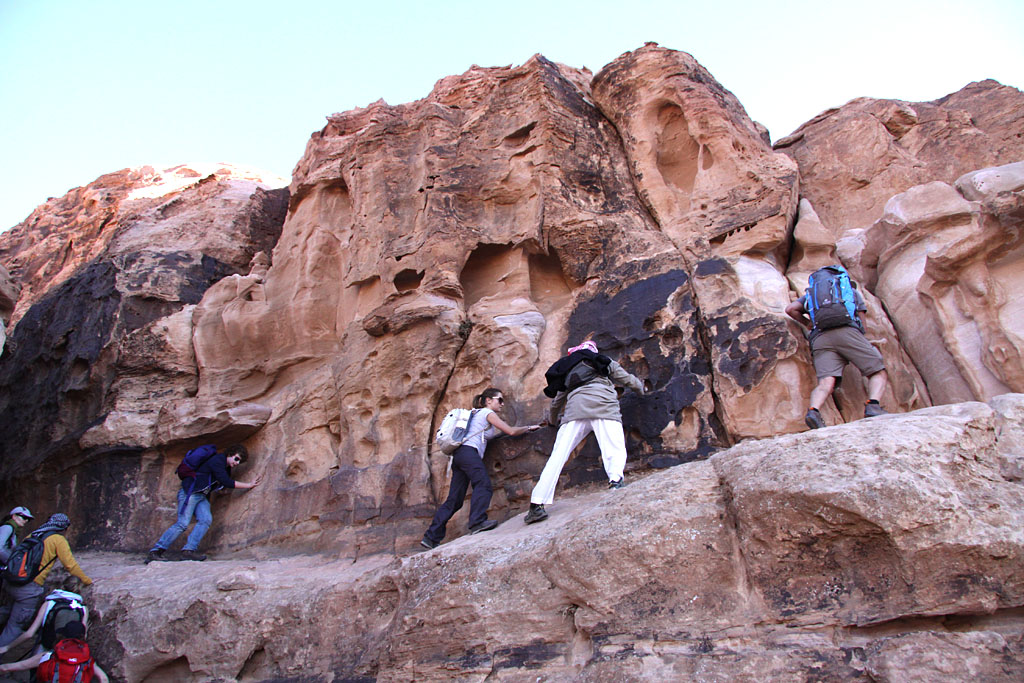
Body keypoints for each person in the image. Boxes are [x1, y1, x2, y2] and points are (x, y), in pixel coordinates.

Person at [525, 340, 645, 525]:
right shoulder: (602, 361)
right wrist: (640, 388)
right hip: (604, 407)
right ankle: (615, 482)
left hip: (574, 412)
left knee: (558, 457)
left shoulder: (569, 370)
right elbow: (626, 378)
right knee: (613, 446)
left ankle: (537, 504)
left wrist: (552, 421)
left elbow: (557, 402)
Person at [421, 389, 540, 550]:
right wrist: (529, 428)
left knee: (454, 500)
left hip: (459, 456)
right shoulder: (486, 413)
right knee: (483, 484)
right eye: (500, 400)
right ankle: (477, 522)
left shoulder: (476, 415)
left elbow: (488, 436)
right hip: (469, 454)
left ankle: (431, 537)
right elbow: (510, 431)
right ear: (489, 400)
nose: (502, 404)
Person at [785, 265, 889, 429]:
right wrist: (860, 337)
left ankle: (814, 411)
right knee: (877, 371)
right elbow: (862, 319)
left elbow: (790, 309)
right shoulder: (850, 293)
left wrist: (808, 324)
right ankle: (873, 405)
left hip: (820, 338)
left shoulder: (812, 295)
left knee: (826, 381)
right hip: (847, 332)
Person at [147, 444, 262, 563]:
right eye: (236, 458)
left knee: (205, 520)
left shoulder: (225, 467)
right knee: (182, 523)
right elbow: (226, 481)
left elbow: (219, 482)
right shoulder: (218, 460)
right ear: (229, 454)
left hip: (201, 495)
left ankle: (188, 551)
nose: (237, 463)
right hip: (190, 493)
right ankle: (156, 551)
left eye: (240, 461)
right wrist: (248, 485)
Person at [0, 514, 92, 649]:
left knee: (5, 612)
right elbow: (70, 565)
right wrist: (87, 581)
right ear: (64, 527)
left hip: (11, 582)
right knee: (15, 626)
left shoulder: (33, 535)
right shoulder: (57, 540)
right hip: (28, 589)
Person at [0, 620, 110, 683]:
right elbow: (103, 678)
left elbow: (10, 667)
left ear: (62, 636)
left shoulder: (48, 656)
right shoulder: (87, 660)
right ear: (83, 637)